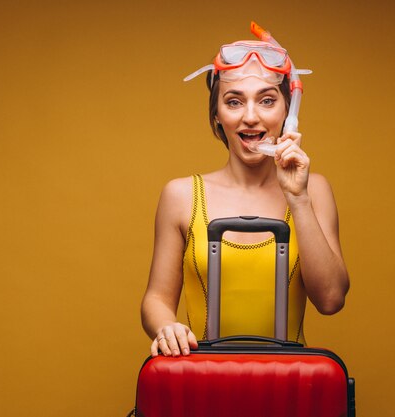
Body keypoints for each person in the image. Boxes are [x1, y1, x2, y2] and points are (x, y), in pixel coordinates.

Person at [141, 37, 349, 358]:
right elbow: (156, 299)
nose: (250, 117)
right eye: (234, 102)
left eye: (266, 101)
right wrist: (167, 326)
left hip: (289, 388)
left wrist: (298, 198)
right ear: (217, 117)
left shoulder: (314, 191)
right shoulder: (180, 195)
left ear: (287, 113)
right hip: (202, 384)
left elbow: (331, 299)